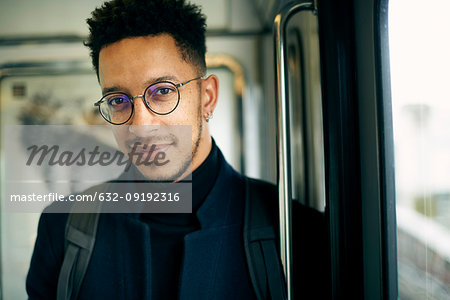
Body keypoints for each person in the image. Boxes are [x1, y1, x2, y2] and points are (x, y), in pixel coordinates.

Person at [26, 0, 329, 299]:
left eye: (162, 92)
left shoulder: (296, 234)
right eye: (119, 100)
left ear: (207, 98)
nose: (141, 126)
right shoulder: (63, 229)